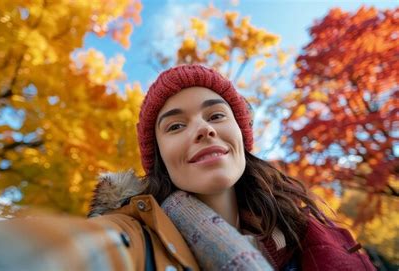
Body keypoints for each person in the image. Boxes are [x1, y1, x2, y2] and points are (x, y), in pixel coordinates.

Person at [90, 64, 374, 270]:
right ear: (159, 156)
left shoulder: (301, 228)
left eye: (215, 115)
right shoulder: (132, 238)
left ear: (240, 134)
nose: (203, 129)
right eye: (176, 126)